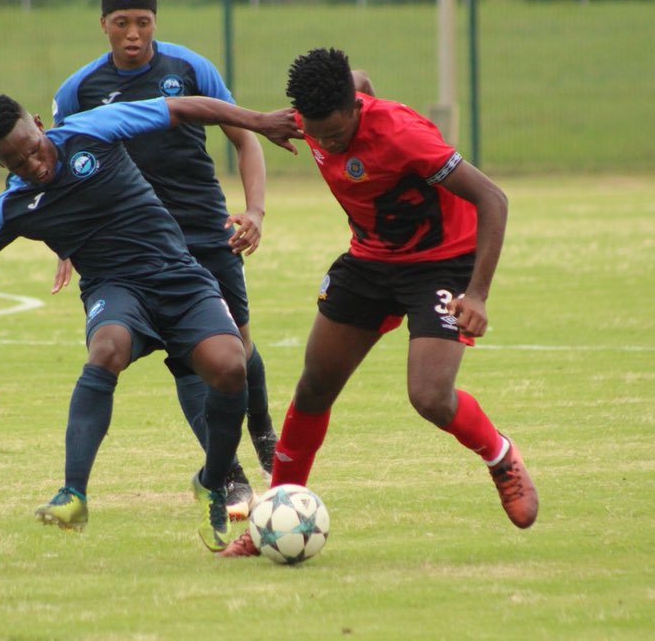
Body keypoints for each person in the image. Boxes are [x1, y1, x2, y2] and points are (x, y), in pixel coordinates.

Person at [0, 93, 301, 553]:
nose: (31, 164)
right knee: (107, 347)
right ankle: (73, 493)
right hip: (115, 290)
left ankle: (211, 481)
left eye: (32, 147)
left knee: (231, 366)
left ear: (38, 124)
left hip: (179, 277)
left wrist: (257, 121)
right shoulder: (12, 207)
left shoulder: (92, 129)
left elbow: (184, 108)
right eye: (13, 161)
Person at [220, 48, 539, 557]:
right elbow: (359, 76)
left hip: (442, 262)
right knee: (314, 386)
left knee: (430, 396)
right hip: (370, 261)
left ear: (356, 108)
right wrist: (259, 121)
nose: (326, 143)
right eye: (317, 134)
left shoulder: (403, 135)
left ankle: (500, 456)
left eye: (336, 134)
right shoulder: (315, 114)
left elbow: (493, 199)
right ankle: (271, 518)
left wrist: (477, 294)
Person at [50, 0, 277, 520]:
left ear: (156, 20)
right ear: (103, 23)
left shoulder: (190, 68)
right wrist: (64, 245)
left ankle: (267, 434)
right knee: (188, 358)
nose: (134, 34)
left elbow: (245, 140)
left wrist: (253, 210)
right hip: (133, 247)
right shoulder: (78, 90)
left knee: (237, 349)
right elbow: (56, 173)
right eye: (122, 21)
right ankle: (229, 476)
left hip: (204, 231)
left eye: (143, 21)